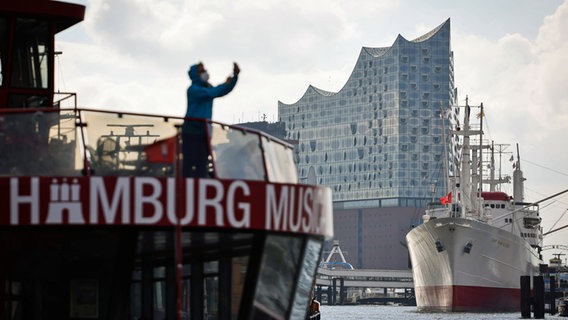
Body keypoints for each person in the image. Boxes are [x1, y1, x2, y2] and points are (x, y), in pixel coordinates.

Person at [182, 62, 240, 177]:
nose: (205, 73)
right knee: (188, 164)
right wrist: (225, 83)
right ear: (195, 74)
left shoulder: (207, 88)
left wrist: (234, 78)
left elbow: (222, 91)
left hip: (204, 131)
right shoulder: (193, 90)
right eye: (201, 71)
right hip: (191, 131)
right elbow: (214, 92)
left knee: (202, 163)